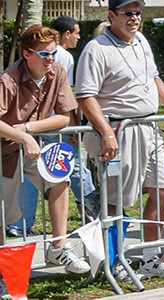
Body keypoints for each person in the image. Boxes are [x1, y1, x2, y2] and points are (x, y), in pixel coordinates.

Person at [76, 0, 164, 279]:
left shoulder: (141, 40)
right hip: (120, 129)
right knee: (116, 199)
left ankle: (151, 257)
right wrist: (106, 132)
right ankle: (110, 263)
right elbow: (85, 96)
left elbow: (154, 78)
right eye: (128, 13)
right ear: (111, 16)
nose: (135, 18)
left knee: (163, 189)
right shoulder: (96, 48)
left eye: (138, 13)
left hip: (149, 127)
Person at [0, 24, 90, 274]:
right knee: (3, 217)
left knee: (58, 177)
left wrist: (27, 130)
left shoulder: (57, 72)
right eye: (43, 54)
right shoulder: (8, 80)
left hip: (31, 146)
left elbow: (64, 117)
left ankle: (58, 248)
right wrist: (21, 136)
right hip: (4, 152)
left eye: (53, 52)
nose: (50, 59)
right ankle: (3, 272)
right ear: (26, 53)